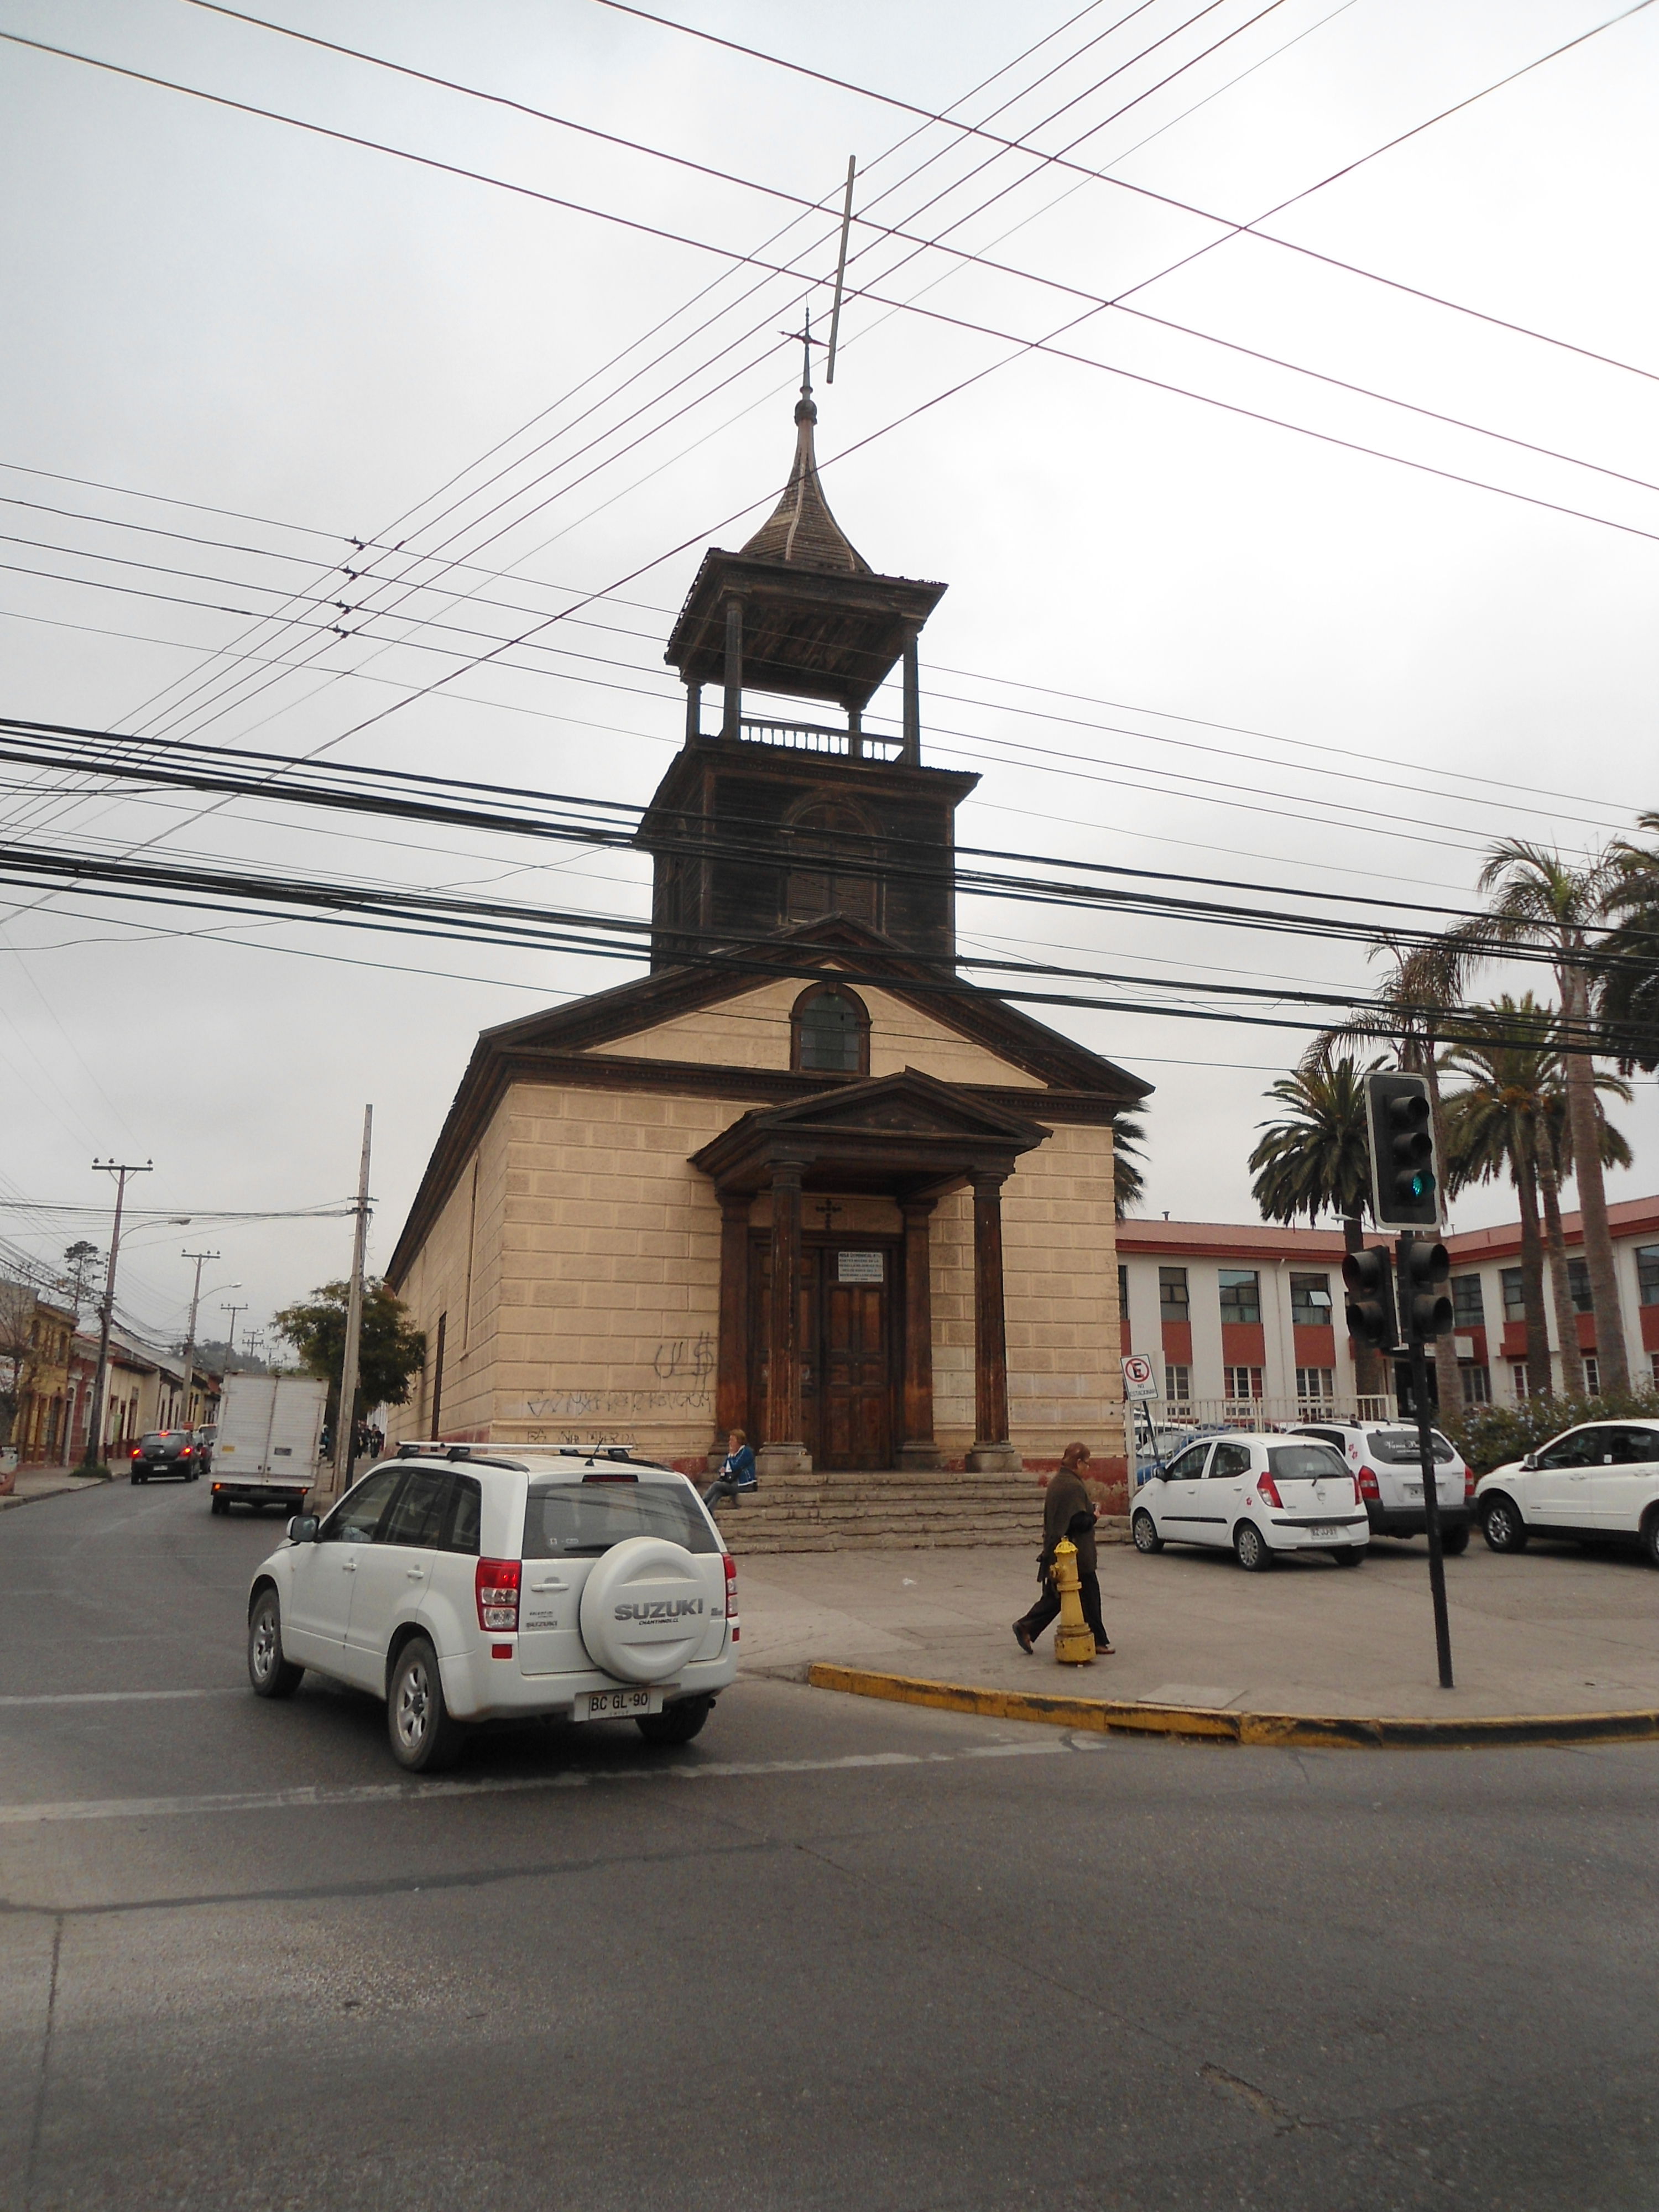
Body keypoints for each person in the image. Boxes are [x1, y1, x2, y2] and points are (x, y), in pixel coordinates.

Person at [1013, 1441, 1113, 1656]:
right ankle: (1098, 1640)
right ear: (1078, 1463)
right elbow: (1076, 1521)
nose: (1088, 1468)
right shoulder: (1072, 1485)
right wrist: (1093, 1516)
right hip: (1073, 1554)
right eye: (1087, 1464)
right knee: (1088, 1595)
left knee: (1059, 1597)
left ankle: (1026, 1627)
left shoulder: (1059, 1481)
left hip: (1060, 1552)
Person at [703, 1429, 758, 1511]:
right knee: (719, 1492)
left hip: (745, 1485)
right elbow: (723, 1468)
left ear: (739, 1441)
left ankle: (702, 1503)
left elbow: (735, 1466)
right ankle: (708, 1511)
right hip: (733, 1482)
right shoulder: (733, 1453)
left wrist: (731, 1455)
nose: (730, 1442)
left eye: (732, 1440)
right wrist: (722, 1473)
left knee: (717, 1485)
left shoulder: (746, 1452)